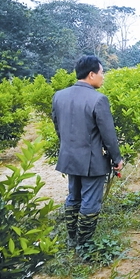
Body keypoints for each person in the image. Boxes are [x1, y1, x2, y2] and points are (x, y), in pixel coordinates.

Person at [52, 55, 123, 250]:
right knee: (90, 201)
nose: (103, 76)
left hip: (69, 157)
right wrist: (117, 158)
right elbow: (108, 135)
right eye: (102, 73)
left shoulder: (59, 95)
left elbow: (58, 127)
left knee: (73, 197)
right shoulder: (98, 99)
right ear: (91, 75)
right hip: (92, 160)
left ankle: (72, 238)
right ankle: (84, 244)